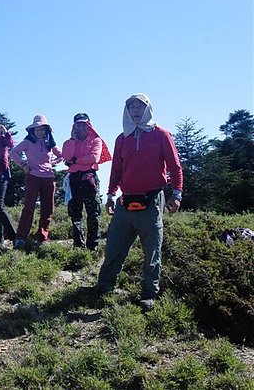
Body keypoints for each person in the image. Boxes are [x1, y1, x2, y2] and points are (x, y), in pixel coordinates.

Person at [96, 93, 183, 310]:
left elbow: (175, 166)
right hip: (124, 202)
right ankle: (104, 287)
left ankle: (148, 294)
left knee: (152, 250)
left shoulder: (161, 134)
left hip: (152, 200)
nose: (135, 110)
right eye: (131, 106)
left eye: (140, 107)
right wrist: (109, 195)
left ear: (147, 109)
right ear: (127, 111)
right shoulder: (122, 138)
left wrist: (177, 194)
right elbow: (116, 169)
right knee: (114, 248)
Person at [10, 115, 63, 249]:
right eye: (37, 129)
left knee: (47, 209)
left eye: (42, 129)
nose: (40, 131)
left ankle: (43, 237)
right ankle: (21, 237)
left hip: (49, 178)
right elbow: (13, 153)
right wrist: (23, 165)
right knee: (29, 208)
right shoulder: (27, 142)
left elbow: (62, 155)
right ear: (32, 130)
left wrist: (53, 163)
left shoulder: (50, 143)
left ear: (46, 130)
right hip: (33, 176)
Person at [61, 113, 112, 251]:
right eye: (78, 124)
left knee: (93, 212)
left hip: (90, 178)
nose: (81, 127)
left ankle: (92, 245)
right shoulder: (68, 142)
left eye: (84, 124)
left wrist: (75, 160)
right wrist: (73, 140)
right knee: (75, 213)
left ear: (89, 125)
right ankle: (78, 245)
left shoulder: (96, 140)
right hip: (74, 179)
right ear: (74, 126)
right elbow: (66, 156)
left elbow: (94, 158)